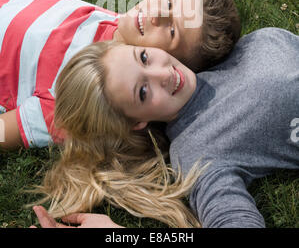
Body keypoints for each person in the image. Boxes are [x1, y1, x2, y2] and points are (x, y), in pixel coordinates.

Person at [31, 27, 299, 228]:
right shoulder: (198, 150)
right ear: (137, 122)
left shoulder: (225, 47)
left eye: (144, 57)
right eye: (143, 91)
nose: (165, 74)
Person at [0, 0, 241, 150]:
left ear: (169, 58)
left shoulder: (83, 95)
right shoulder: (128, 28)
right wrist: (196, 7)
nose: (156, 13)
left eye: (171, 31)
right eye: (168, 2)